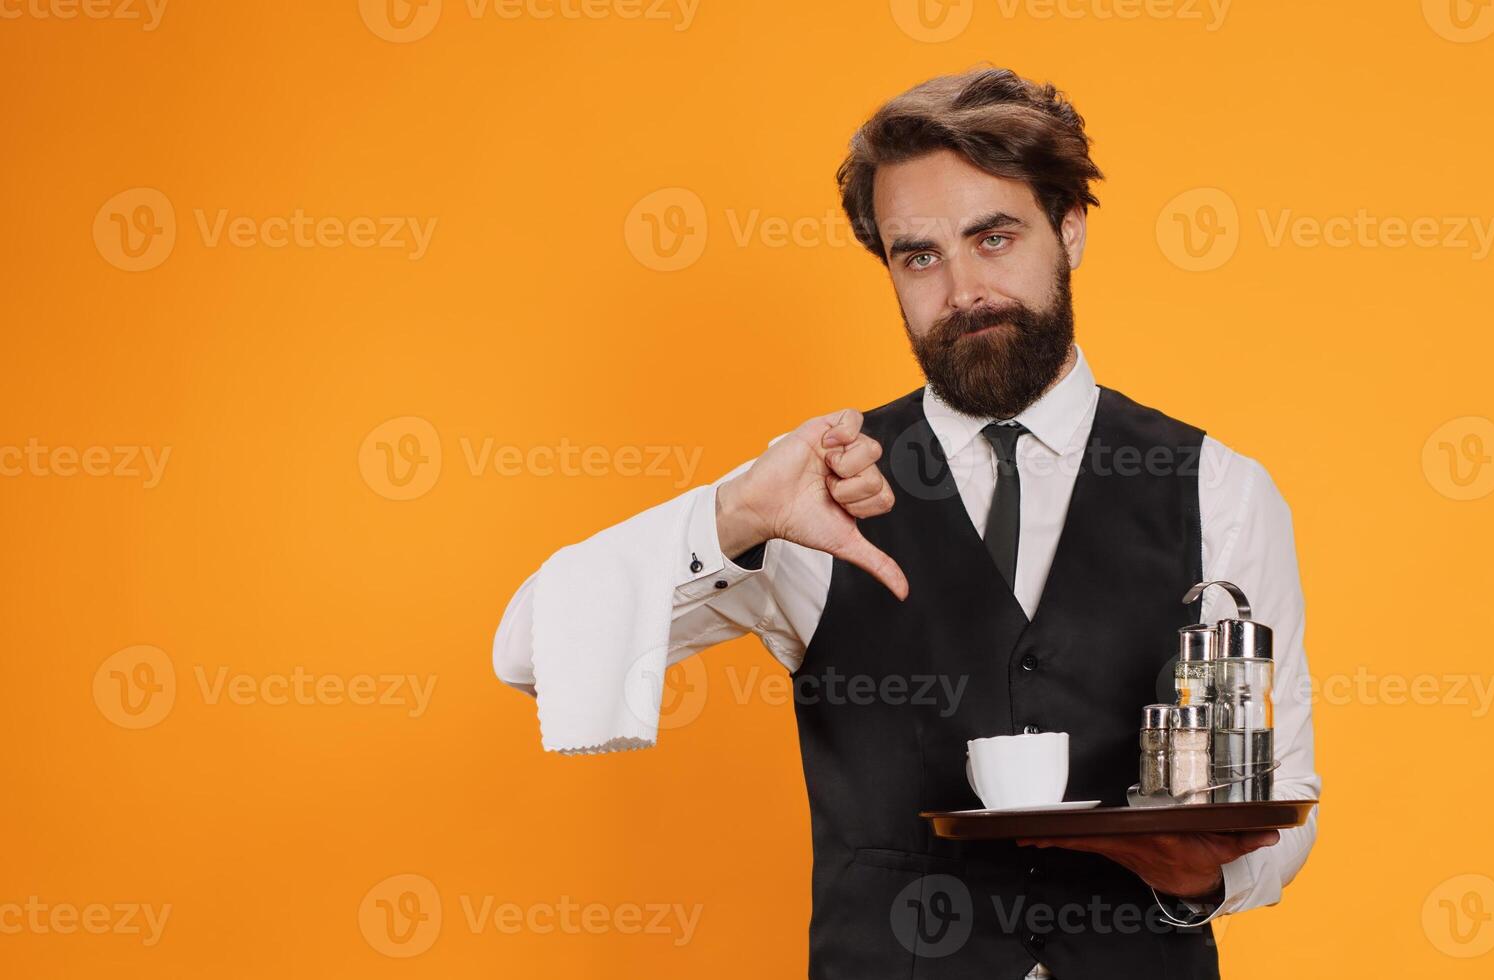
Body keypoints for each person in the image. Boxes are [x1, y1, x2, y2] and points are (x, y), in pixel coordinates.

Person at [493, 65, 1319, 979]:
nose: (962, 289)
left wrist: (1198, 883)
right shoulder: (813, 488)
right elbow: (530, 651)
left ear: (1070, 231)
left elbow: (1284, 796)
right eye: (918, 255)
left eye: (994, 237)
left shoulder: (1219, 487)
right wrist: (735, 515)